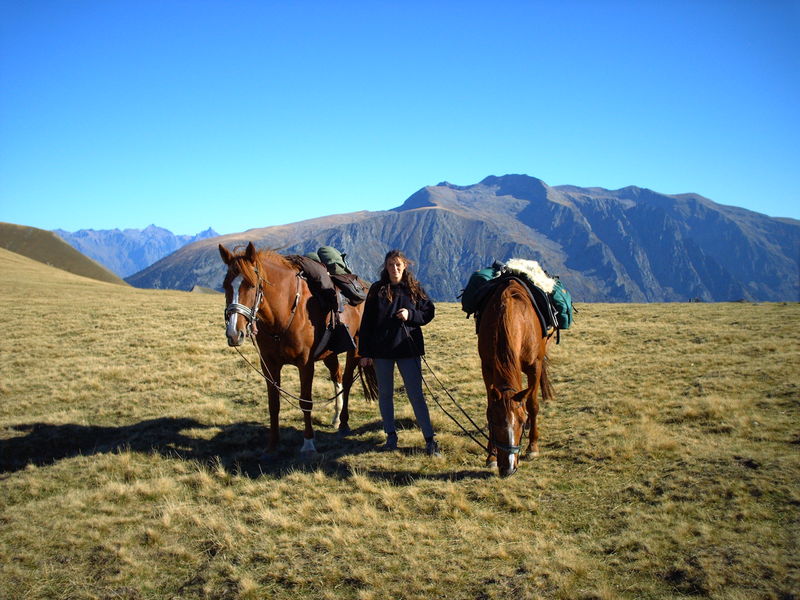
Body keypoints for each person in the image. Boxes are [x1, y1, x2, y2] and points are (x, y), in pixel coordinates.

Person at [358, 250, 441, 457]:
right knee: (385, 395)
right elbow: (366, 323)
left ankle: (429, 440)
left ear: (404, 266)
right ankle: (391, 436)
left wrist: (410, 314)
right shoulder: (377, 289)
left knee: (416, 395)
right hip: (381, 352)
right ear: (385, 267)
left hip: (407, 350)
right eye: (390, 265)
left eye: (398, 265)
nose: (394, 269)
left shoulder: (414, 288)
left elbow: (428, 312)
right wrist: (365, 353)